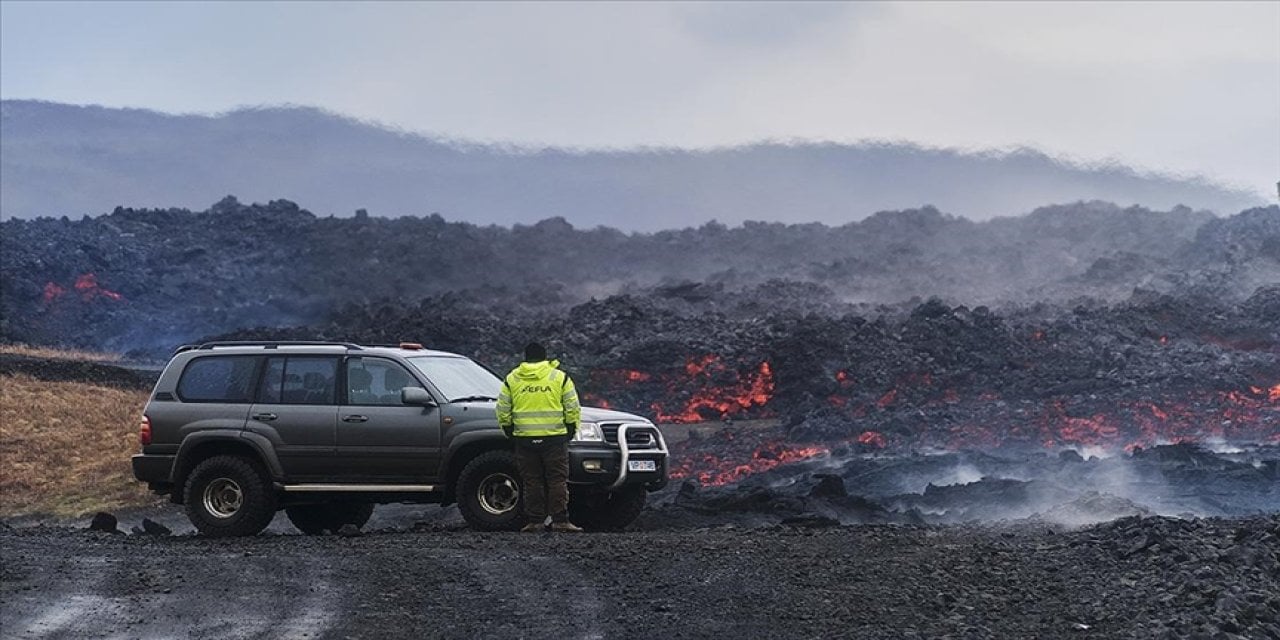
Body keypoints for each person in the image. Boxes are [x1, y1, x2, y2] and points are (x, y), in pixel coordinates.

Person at [495, 342, 584, 533]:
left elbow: (502, 409)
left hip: (524, 439)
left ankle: (535, 521)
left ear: (525, 358)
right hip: (555, 438)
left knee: (532, 481)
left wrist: (509, 430)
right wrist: (570, 430)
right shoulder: (559, 377)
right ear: (545, 358)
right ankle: (560, 520)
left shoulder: (513, 379)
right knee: (557, 480)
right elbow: (572, 407)